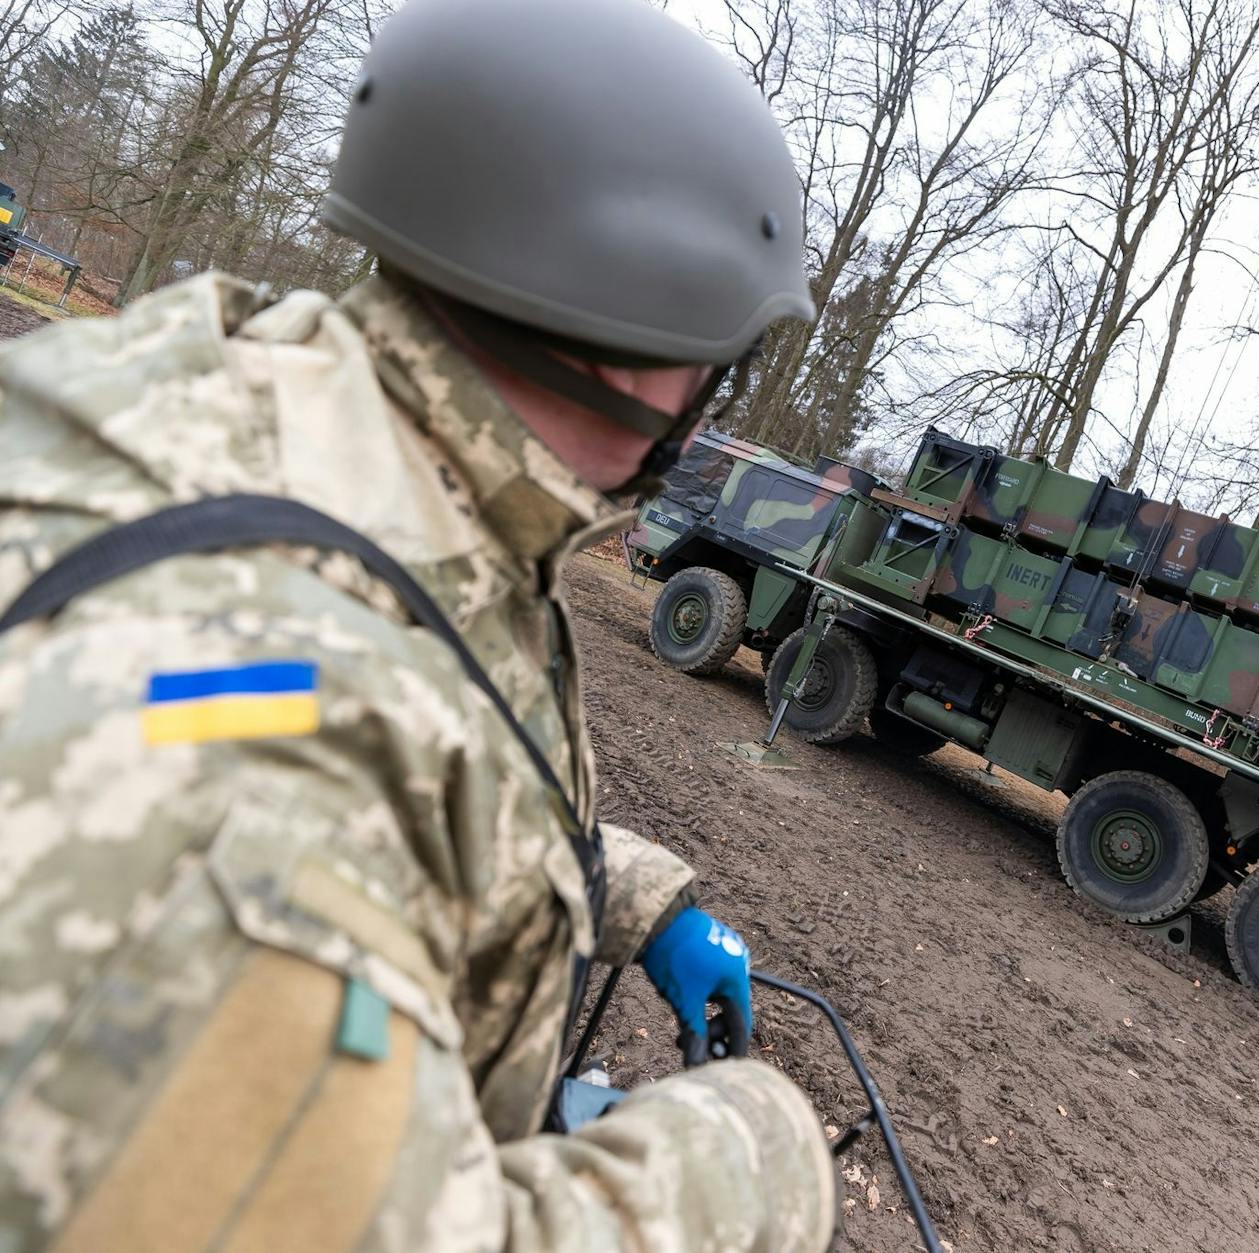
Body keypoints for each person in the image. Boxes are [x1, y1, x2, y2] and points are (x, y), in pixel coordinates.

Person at [0, 0, 837, 1249]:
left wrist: (627, 891)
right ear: (637, 345)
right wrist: (747, 1160)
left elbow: (351, 737)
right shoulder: (247, 746)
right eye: (721, 358)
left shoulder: (295, 420)